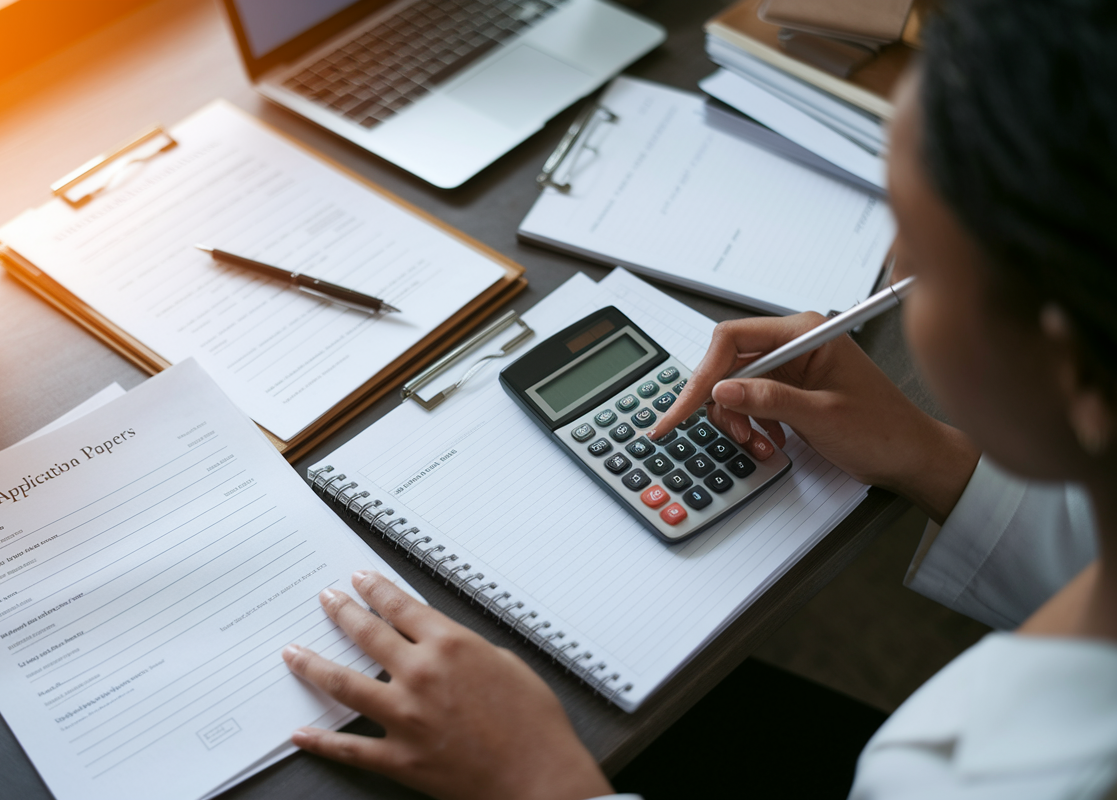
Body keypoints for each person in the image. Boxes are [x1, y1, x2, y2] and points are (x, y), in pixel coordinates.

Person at [278, 1, 1117, 797]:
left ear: (1068, 368)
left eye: (922, 265)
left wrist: (547, 785)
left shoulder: (974, 775)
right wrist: (933, 458)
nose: (890, 276)